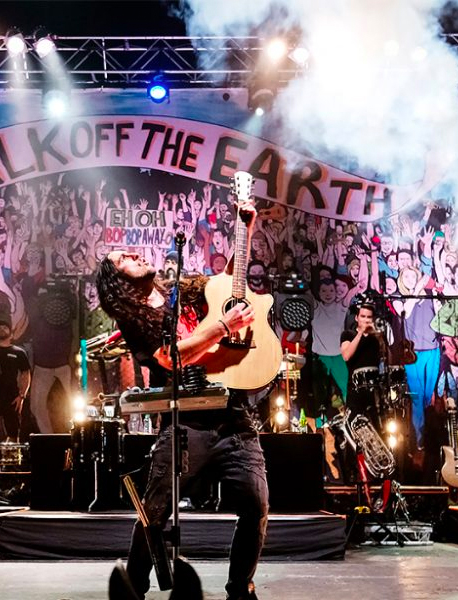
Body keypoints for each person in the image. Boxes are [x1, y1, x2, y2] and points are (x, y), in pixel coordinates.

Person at [95, 201, 268, 600]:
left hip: (233, 413)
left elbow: (228, 281)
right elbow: (172, 357)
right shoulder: (133, 317)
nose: (133, 253)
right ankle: (134, 587)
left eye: (131, 250)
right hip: (186, 419)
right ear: (116, 279)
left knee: (256, 505)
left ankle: (240, 588)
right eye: (122, 257)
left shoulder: (182, 291)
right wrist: (224, 326)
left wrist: (247, 229)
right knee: (155, 510)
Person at [340, 303, 385, 426]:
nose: (365, 320)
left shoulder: (375, 338)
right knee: (354, 425)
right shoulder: (347, 334)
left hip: (374, 389)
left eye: (369, 317)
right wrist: (360, 333)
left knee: (378, 425)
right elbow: (346, 355)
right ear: (356, 318)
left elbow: (386, 360)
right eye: (363, 316)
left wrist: (379, 337)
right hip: (355, 388)